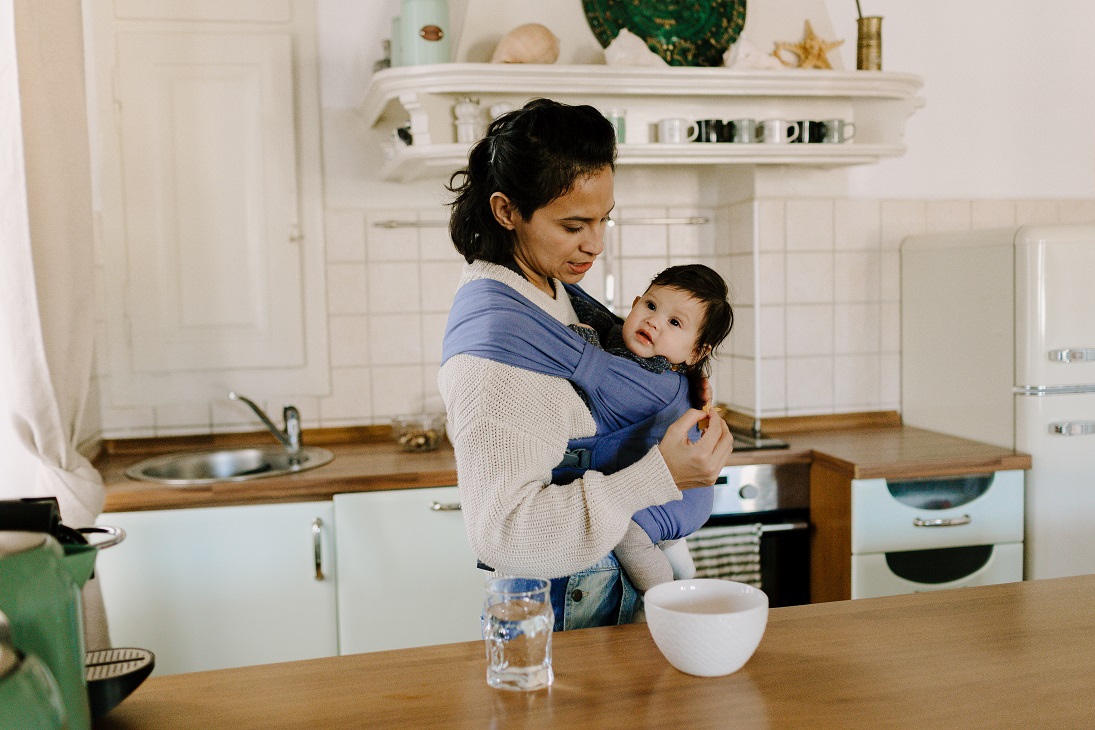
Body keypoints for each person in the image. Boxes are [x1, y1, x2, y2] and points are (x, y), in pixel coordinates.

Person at [439, 98, 734, 631]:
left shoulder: (549, 290)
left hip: (599, 587)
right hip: (566, 605)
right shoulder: (496, 352)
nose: (595, 245)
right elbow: (504, 535)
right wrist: (659, 475)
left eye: (603, 221)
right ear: (506, 211)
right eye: (575, 225)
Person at [568, 264, 734, 592]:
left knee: (629, 534)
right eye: (651, 306)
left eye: (674, 322)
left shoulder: (652, 382)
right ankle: (685, 572)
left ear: (696, 352)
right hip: (677, 490)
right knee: (661, 536)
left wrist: (580, 331)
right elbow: (599, 316)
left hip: (683, 495)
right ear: (633, 304)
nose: (654, 321)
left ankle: (661, 600)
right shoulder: (648, 360)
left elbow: (583, 359)